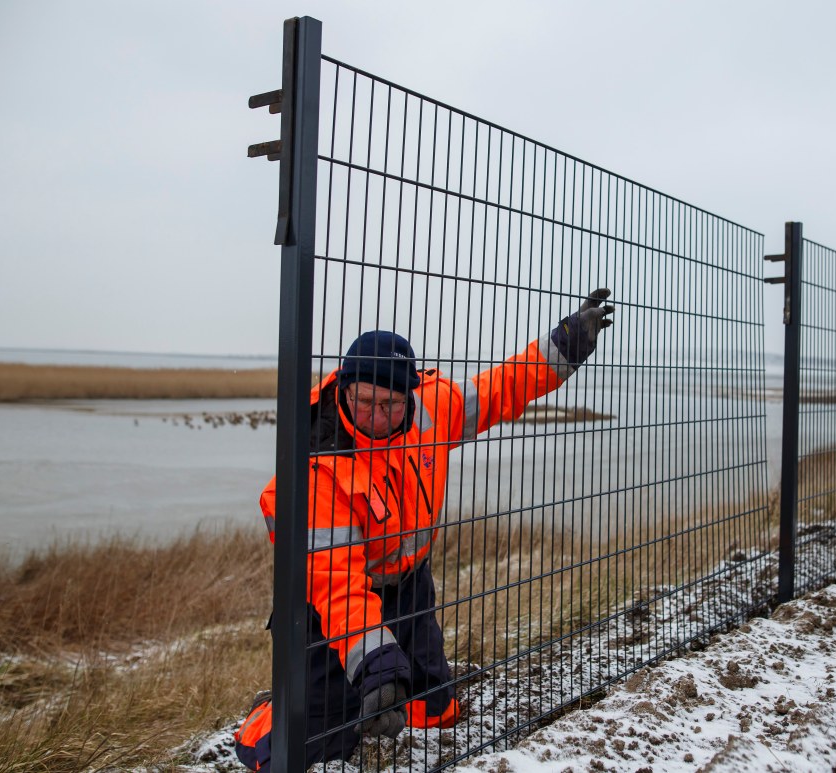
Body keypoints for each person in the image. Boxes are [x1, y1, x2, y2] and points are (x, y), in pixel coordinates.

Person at [235, 289, 615, 769]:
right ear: (344, 389)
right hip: (329, 606)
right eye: (363, 401)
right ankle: (266, 715)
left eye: (389, 404)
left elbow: (503, 387)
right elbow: (337, 590)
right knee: (302, 749)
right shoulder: (316, 468)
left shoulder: (432, 408)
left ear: (409, 397)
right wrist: (375, 664)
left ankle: (397, 682)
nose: (375, 416)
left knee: (433, 712)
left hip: (410, 587)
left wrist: (566, 344)